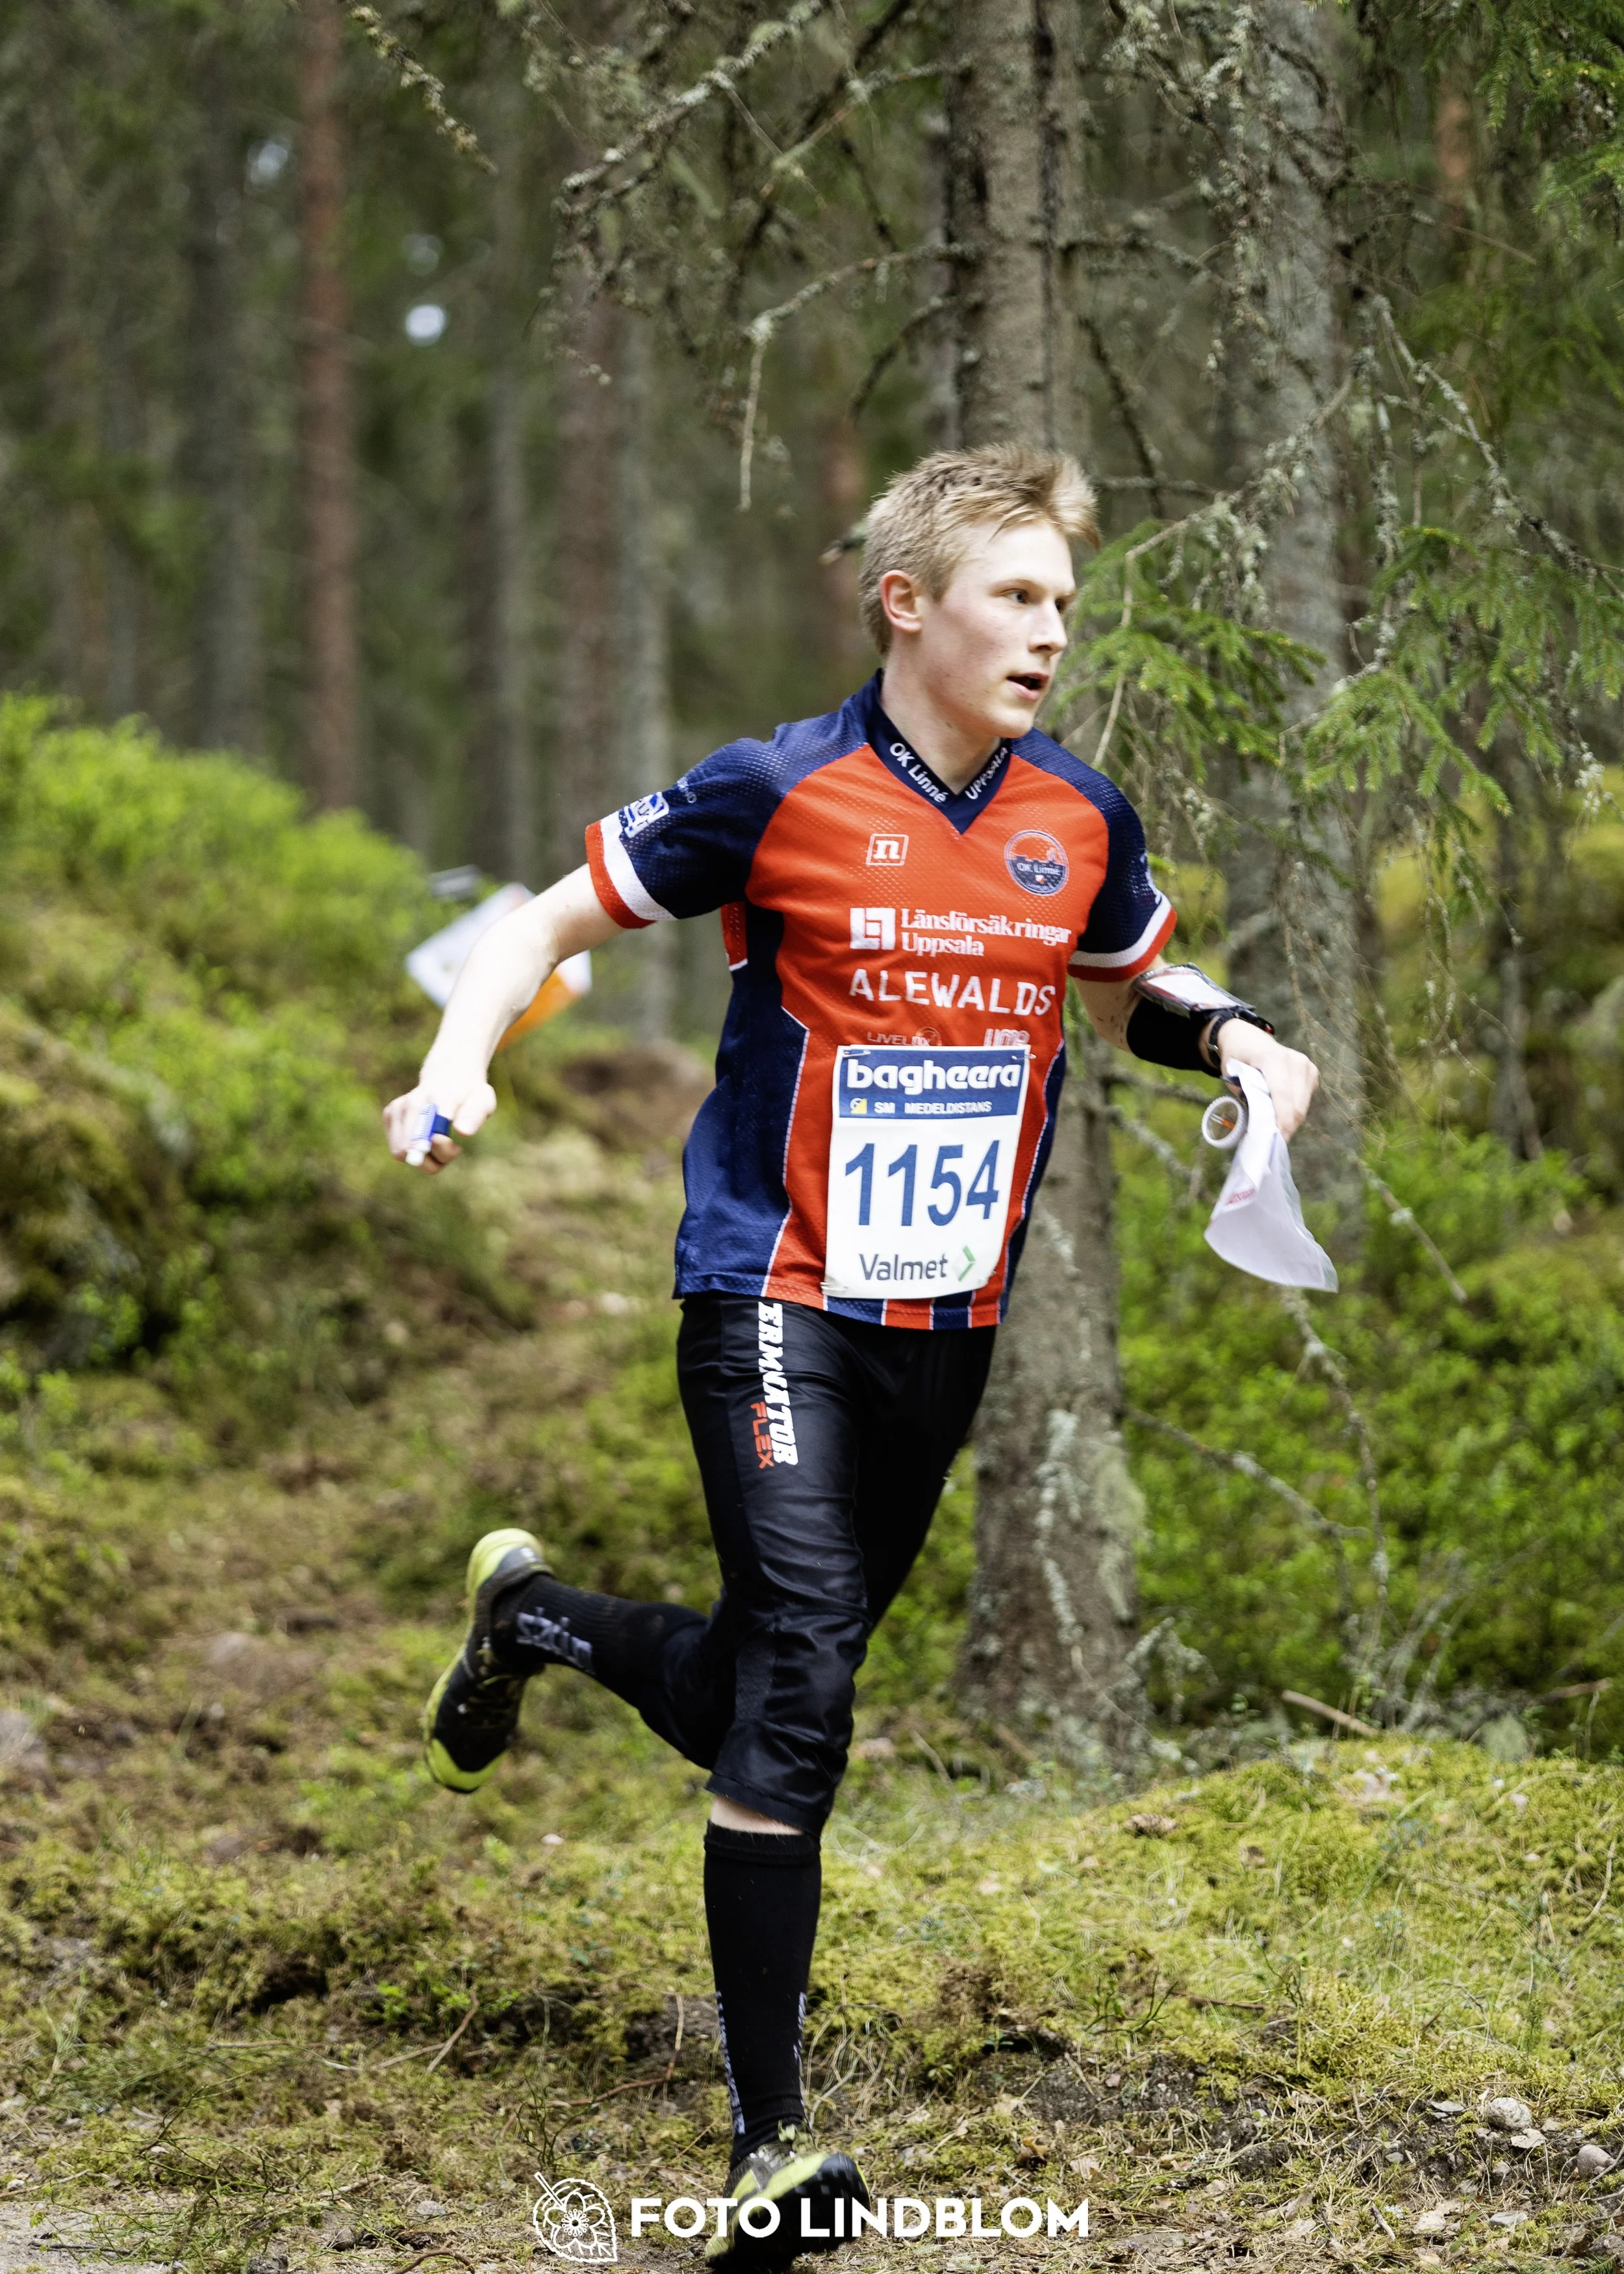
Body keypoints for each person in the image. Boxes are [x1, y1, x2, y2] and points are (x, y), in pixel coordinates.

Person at [383, 445, 1317, 2266]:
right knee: (806, 1681)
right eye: (1014, 595)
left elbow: (1123, 983)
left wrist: (1239, 1043)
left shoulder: (1075, 814)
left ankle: (535, 1618)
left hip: (939, 1320)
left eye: (1061, 598)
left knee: (759, 1680)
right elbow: (546, 919)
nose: (1050, 627)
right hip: (769, 1288)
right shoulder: (775, 791)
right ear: (908, 605)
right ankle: (771, 2142)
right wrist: (459, 1060)